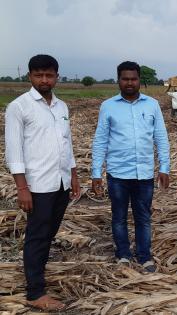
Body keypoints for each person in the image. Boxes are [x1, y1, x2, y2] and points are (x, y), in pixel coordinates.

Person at [5, 54, 81, 311]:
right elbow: (14, 152)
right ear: (30, 76)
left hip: (60, 183)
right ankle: (35, 292)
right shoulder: (19, 107)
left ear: (57, 76)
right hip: (37, 186)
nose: (44, 80)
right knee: (37, 237)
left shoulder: (61, 107)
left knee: (48, 234)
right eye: (39, 75)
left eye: (49, 75)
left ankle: (36, 275)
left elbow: (66, 144)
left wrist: (73, 175)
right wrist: (22, 187)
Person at [91, 61, 170, 272]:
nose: (129, 83)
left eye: (133, 79)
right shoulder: (108, 106)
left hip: (144, 173)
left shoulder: (151, 105)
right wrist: (96, 173)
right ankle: (123, 255)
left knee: (143, 217)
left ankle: (145, 257)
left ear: (139, 80)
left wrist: (165, 167)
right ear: (118, 80)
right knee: (119, 217)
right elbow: (100, 140)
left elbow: (161, 137)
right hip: (117, 173)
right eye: (125, 79)